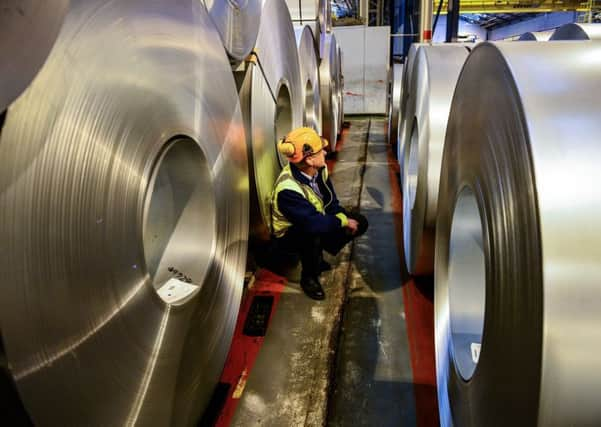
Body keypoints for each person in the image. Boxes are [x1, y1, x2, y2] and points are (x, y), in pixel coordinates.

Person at [269, 127, 368, 300]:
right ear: (309, 159)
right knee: (311, 235)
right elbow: (312, 223)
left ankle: (319, 253)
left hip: (313, 220)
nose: (324, 151)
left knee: (360, 222)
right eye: (320, 150)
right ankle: (309, 278)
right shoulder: (288, 190)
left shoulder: (319, 169)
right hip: (288, 236)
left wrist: (342, 217)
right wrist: (342, 222)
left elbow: (331, 201)